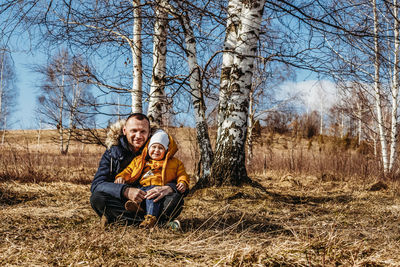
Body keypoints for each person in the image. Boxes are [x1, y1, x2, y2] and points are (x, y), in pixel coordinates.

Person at [90, 113, 186, 227]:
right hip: (123, 201)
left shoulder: (157, 149)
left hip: (151, 199)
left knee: (175, 200)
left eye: (143, 131)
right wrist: (125, 191)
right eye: (133, 131)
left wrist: (169, 188)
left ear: (149, 132)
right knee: (97, 198)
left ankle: (118, 219)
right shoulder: (112, 153)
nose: (138, 135)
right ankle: (158, 224)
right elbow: (97, 185)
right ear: (124, 130)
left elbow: (180, 178)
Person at [114, 129, 189, 228]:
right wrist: (121, 177)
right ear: (148, 148)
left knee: (153, 196)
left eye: (160, 148)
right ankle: (139, 209)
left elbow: (182, 174)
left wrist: (183, 182)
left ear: (166, 150)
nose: (156, 150)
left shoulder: (175, 163)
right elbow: (128, 171)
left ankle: (150, 217)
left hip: (159, 191)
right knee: (138, 195)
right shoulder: (139, 161)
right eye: (154, 147)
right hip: (142, 187)